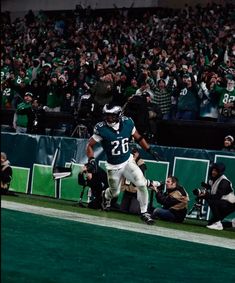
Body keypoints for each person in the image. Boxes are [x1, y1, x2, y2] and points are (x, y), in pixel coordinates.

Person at [86, 102, 161, 224]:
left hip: (127, 161)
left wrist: (148, 149)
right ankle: (106, 195)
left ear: (119, 115)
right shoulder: (101, 128)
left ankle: (144, 213)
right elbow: (89, 145)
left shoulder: (128, 122)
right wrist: (91, 159)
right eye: (107, 115)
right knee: (115, 192)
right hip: (113, 166)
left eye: (112, 115)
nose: (109, 118)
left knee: (141, 184)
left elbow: (138, 137)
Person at [197, 162, 235, 230]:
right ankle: (232, 224)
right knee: (210, 223)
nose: (213, 172)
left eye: (215, 171)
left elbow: (217, 197)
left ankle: (218, 224)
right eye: (213, 170)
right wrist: (202, 195)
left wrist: (205, 195)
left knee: (212, 201)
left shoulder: (224, 181)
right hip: (222, 203)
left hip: (230, 204)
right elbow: (212, 192)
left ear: (220, 172)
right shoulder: (212, 180)